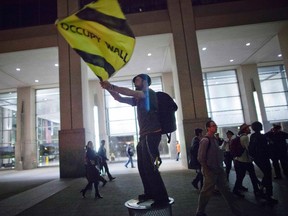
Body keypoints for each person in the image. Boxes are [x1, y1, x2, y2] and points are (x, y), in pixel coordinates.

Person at [101, 74, 169, 206]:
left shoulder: (149, 93)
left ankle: (162, 198)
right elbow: (119, 98)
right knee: (143, 167)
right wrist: (108, 88)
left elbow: (130, 92)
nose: (135, 81)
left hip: (152, 135)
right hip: (144, 136)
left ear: (145, 81)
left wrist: (112, 86)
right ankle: (150, 192)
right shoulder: (138, 98)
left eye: (137, 79)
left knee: (152, 167)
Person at [195, 120, 242, 216]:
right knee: (206, 193)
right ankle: (200, 212)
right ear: (208, 128)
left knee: (226, 192)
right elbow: (200, 157)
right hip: (211, 171)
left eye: (215, 125)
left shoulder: (215, 140)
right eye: (213, 126)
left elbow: (218, 152)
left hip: (219, 170)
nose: (215, 127)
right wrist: (207, 170)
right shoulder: (205, 140)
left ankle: (237, 212)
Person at [249, 121, 278, 205]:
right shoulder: (262, 137)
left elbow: (251, 148)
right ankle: (268, 195)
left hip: (257, 159)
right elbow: (266, 148)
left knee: (267, 174)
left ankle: (261, 189)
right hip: (264, 158)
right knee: (268, 175)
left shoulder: (253, 136)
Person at [232, 123, 261, 198]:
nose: (249, 129)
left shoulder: (241, 137)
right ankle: (236, 190)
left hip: (242, 160)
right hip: (244, 161)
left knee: (249, 176)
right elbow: (249, 149)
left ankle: (256, 190)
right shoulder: (245, 138)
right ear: (244, 129)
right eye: (248, 128)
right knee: (243, 177)